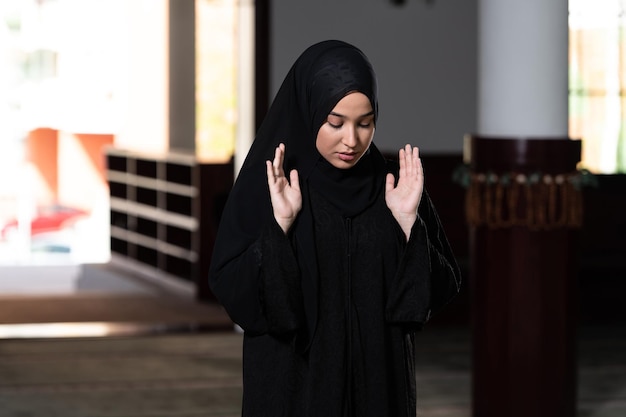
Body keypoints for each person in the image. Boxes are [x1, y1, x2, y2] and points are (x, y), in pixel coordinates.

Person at [208, 39, 461, 417]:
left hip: (378, 388)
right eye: (335, 122)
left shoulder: (395, 187)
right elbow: (235, 293)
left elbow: (437, 291)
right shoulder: (278, 185)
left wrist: (409, 226)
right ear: (310, 112)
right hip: (295, 390)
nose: (352, 140)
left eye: (366, 123)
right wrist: (280, 227)